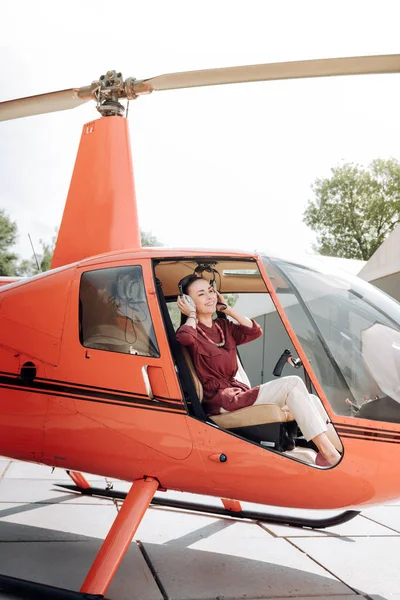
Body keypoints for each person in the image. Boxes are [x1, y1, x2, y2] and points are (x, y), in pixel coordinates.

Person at [176, 274, 341, 467]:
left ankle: (340, 451)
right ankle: (329, 453)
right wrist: (192, 315)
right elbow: (184, 338)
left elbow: (254, 331)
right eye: (201, 294)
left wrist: (227, 308)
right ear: (188, 301)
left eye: (211, 291)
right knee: (293, 383)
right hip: (222, 399)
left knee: (312, 399)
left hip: (238, 391)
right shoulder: (190, 330)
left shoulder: (223, 326)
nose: (210, 297)